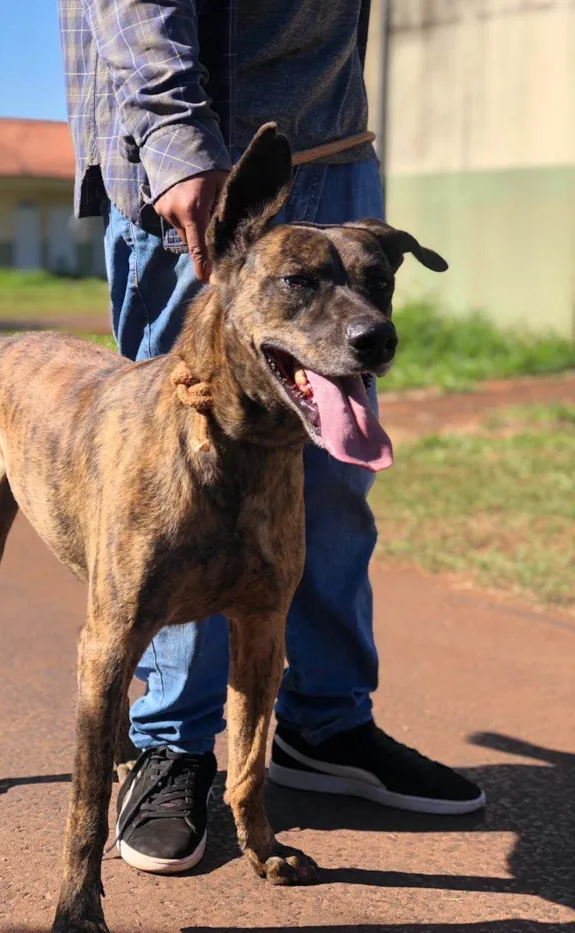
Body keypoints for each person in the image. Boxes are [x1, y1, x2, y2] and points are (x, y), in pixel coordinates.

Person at [59, 0, 485, 875]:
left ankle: (325, 723)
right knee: (174, 474)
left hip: (336, 138)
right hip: (194, 155)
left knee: (333, 478)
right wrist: (173, 133)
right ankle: (173, 742)